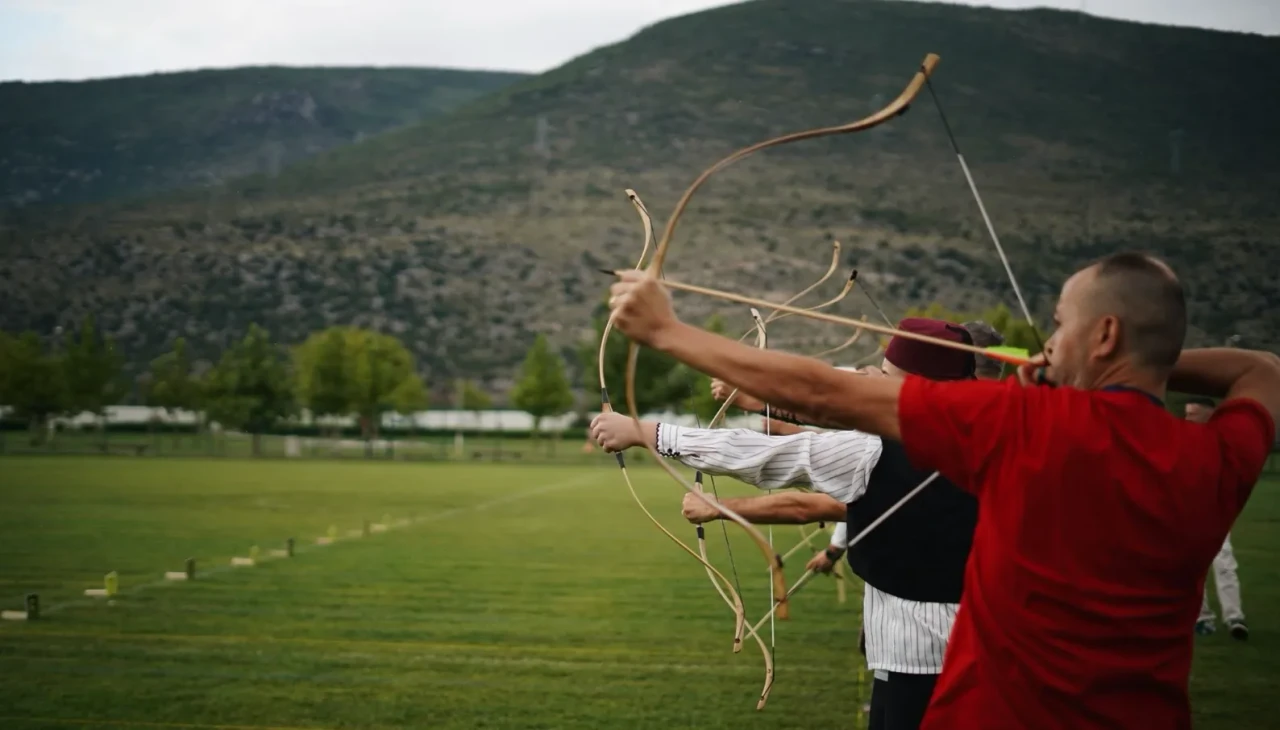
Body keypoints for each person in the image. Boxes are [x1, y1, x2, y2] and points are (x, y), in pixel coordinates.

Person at [604, 251, 1280, 729]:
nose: (1046, 342)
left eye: (1058, 324)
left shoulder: (1027, 422)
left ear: (1104, 335)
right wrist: (1141, 363)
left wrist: (666, 330)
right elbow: (1262, 370)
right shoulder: (1218, 457)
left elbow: (820, 392)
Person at [591, 319, 981, 730]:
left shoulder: (878, 447)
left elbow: (768, 455)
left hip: (922, 648)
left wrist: (644, 431)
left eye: (885, 378)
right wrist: (764, 400)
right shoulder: (985, 430)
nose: (872, 386)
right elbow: (834, 400)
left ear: (918, 387)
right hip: (958, 636)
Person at [1186, 397, 1249, 640]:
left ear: (1209, 414)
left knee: (1224, 561)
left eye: (1193, 414)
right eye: (1186, 414)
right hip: (1189, 513)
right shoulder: (1185, 441)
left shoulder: (1221, 441)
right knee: (1193, 565)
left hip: (1217, 512)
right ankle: (1202, 617)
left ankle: (1234, 616)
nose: (1188, 418)